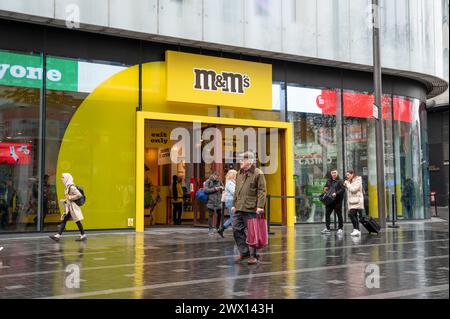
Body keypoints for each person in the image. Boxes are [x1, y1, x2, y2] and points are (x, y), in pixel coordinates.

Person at [232, 151, 267, 265]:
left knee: (253, 232)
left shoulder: (258, 173)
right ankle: (245, 252)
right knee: (236, 229)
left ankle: (254, 256)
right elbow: (237, 190)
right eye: (240, 159)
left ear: (250, 161)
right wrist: (234, 204)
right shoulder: (239, 173)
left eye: (243, 159)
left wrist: (260, 206)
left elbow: (262, 191)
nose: (240, 161)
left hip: (251, 208)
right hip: (239, 207)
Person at [49, 173, 86, 242]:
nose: (61, 179)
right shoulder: (67, 186)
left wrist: (70, 197)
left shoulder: (71, 187)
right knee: (66, 220)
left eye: (63, 177)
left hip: (72, 207)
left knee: (76, 221)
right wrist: (65, 200)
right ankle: (58, 236)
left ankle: (83, 235)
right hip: (69, 207)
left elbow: (79, 195)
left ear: (67, 178)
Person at [321, 169, 345, 235]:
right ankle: (327, 228)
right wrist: (325, 189)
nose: (333, 174)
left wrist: (336, 193)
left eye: (335, 173)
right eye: (332, 173)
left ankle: (340, 228)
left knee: (339, 214)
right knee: (327, 214)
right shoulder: (328, 180)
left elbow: (343, 190)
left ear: (337, 173)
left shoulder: (340, 181)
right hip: (329, 200)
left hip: (337, 200)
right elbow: (326, 187)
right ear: (331, 174)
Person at [343, 169, 364, 237]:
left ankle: (356, 229)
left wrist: (348, 184)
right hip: (352, 201)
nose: (347, 176)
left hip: (357, 201)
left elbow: (353, 189)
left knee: (351, 215)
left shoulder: (358, 180)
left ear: (352, 174)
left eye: (348, 175)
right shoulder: (350, 181)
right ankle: (357, 230)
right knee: (353, 215)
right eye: (346, 175)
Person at [217, 169, 237, 238]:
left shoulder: (232, 182)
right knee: (234, 217)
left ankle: (221, 229)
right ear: (233, 176)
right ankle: (235, 233)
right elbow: (234, 192)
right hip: (231, 201)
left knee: (233, 217)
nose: (236, 176)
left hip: (231, 201)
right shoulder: (230, 183)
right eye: (235, 175)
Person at [204, 171, 224, 236]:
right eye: (217, 177)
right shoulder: (208, 181)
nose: (218, 179)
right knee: (210, 215)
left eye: (218, 178)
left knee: (220, 214)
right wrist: (214, 189)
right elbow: (205, 190)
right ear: (213, 176)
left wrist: (222, 189)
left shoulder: (219, 181)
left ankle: (217, 226)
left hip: (218, 201)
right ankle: (210, 229)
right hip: (210, 201)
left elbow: (223, 188)